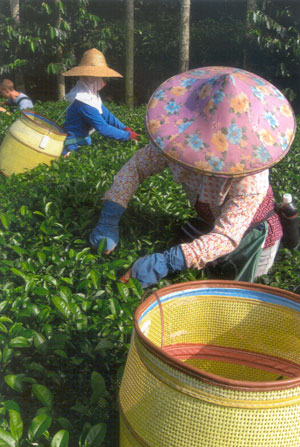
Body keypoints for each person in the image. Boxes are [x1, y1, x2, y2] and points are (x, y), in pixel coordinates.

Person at [88, 66, 296, 289]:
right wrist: (110, 217)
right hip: (211, 223)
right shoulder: (178, 142)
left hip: (250, 237)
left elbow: (226, 236)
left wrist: (166, 262)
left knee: (229, 286)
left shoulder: (251, 176)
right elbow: (136, 167)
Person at [61, 48, 139, 157]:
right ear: (91, 79)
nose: (103, 81)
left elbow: (107, 116)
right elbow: (103, 128)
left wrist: (125, 128)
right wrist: (128, 136)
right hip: (72, 147)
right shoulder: (83, 101)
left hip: (82, 143)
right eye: (100, 78)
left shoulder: (91, 97)